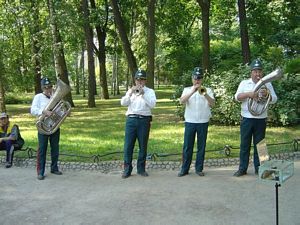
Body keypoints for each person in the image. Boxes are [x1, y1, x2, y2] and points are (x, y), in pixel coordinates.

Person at [233, 59, 278, 177]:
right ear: (251, 72)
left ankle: (261, 168)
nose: (258, 74)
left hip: (261, 119)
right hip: (246, 118)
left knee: (261, 145)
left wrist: (267, 95)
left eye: (259, 71)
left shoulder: (267, 84)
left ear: (262, 72)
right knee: (245, 144)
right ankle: (242, 168)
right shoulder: (244, 83)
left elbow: (274, 99)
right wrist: (249, 94)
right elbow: (237, 97)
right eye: (255, 71)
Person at [178, 67, 215, 177]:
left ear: (202, 79)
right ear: (192, 79)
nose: (197, 80)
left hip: (203, 121)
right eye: (195, 78)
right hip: (190, 121)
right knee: (187, 146)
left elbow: (212, 103)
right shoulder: (187, 89)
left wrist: (205, 94)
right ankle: (184, 169)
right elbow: (181, 101)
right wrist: (192, 91)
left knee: (201, 147)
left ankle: (199, 169)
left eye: (199, 78)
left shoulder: (208, 90)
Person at [120, 69, 156, 179]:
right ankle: (127, 169)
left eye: (142, 79)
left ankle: (141, 169)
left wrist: (143, 94)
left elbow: (153, 105)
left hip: (144, 120)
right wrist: (130, 93)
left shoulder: (150, 91)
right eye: (138, 79)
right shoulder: (130, 91)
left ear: (145, 81)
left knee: (143, 145)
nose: (140, 82)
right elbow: (123, 103)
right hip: (131, 119)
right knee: (128, 146)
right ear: (135, 80)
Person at [31, 77, 63, 180]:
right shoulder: (38, 97)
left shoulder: (56, 97)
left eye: (49, 87)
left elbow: (61, 111)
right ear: (42, 88)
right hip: (43, 127)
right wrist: (44, 111)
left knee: (55, 149)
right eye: (45, 87)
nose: (48, 89)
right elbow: (33, 110)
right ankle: (40, 172)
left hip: (54, 126)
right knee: (42, 149)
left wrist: (64, 113)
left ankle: (54, 168)